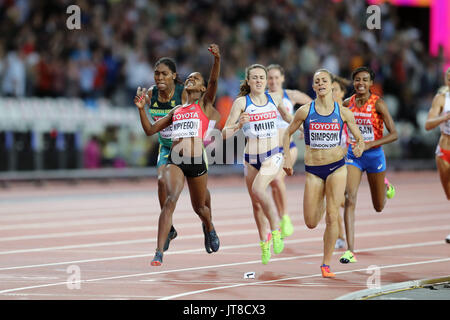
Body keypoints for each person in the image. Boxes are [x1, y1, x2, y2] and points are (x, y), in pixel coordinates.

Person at [134, 44, 221, 266]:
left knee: (200, 205)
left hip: (196, 156)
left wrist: (217, 60)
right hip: (171, 153)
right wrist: (141, 109)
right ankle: (159, 251)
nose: (159, 77)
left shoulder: (198, 101)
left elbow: (212, 84)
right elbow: (150, 130)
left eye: (164, 73)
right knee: (167, 194)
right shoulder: (171, 107)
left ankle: (208, 225)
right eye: (156, 73)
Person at [283, 69, 365, 278]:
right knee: (311, 222)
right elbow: (287, 133)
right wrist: (286, 158)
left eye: (324, 81)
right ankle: (320, 201)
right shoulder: (305, 111)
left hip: (337, 168)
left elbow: (359, 137)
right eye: (317, 81)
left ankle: (326, 264)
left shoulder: (343, 112)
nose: (320, 84)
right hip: (313, 170)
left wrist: (359, 147)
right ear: (313, 87)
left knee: (332, 216)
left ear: (330, 85)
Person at [222, 64, 291, 265]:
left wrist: (302, 126)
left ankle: (276, 229)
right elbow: (225, 133)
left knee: (259, 189)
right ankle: (264, 241)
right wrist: (239, 125)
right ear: (249, 81)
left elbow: (288, 118)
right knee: (256, 203)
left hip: (272, 154)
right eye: (255, 78)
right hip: (251, 159)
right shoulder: (241, 103)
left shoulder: (275, 98)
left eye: (262, 77)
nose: (260, 81)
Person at [340, 66, 398, 264]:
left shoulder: (378, 104)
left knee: (379, 207)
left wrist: (370, 144)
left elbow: (394, 134)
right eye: (357, 79)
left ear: (371, 83)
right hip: (354, 155)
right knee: (350, 197)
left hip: (374, 156)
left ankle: (385, 185)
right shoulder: (347, 103)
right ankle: (350, 250)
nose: (360, 83)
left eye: (365, 80)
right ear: (353, 82)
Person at [267, 64, 312, 239]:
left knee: (278, 180)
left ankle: (285, 217)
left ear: (282, 78)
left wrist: (306, 126)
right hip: (268, 150)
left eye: (276, 77)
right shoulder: (261, 98)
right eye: (270, 78)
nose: (273, 81)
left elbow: (313, 105)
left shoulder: (290, 95)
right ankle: (280, 219)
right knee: (273, 185)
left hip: (288, 148)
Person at [424, 67, 450, 244]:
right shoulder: (441, 99)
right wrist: (445, 118)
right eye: (448, 76)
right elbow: (427, 124)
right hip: (444, 150)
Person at [331, 75, 351, 249]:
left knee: (346, 200)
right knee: (334, 201)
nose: (332, 93)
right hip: (332, 163)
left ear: (343, 93)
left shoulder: (347, 111)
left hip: (350, 160)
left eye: (335, 90)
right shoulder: (323, 111)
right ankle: (340, 236)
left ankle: (383, 181)